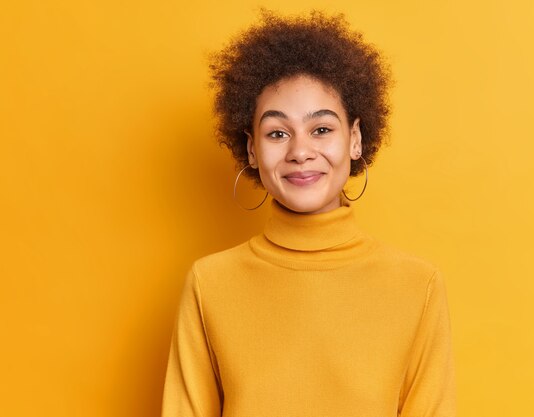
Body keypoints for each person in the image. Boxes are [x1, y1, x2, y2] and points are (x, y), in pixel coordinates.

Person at [161, 9, 457, 417]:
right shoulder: (209, 284)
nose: (300, 151)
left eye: (321, 129)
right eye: (277, 133)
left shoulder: (416, 286)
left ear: (354, 139)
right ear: (251, 149)